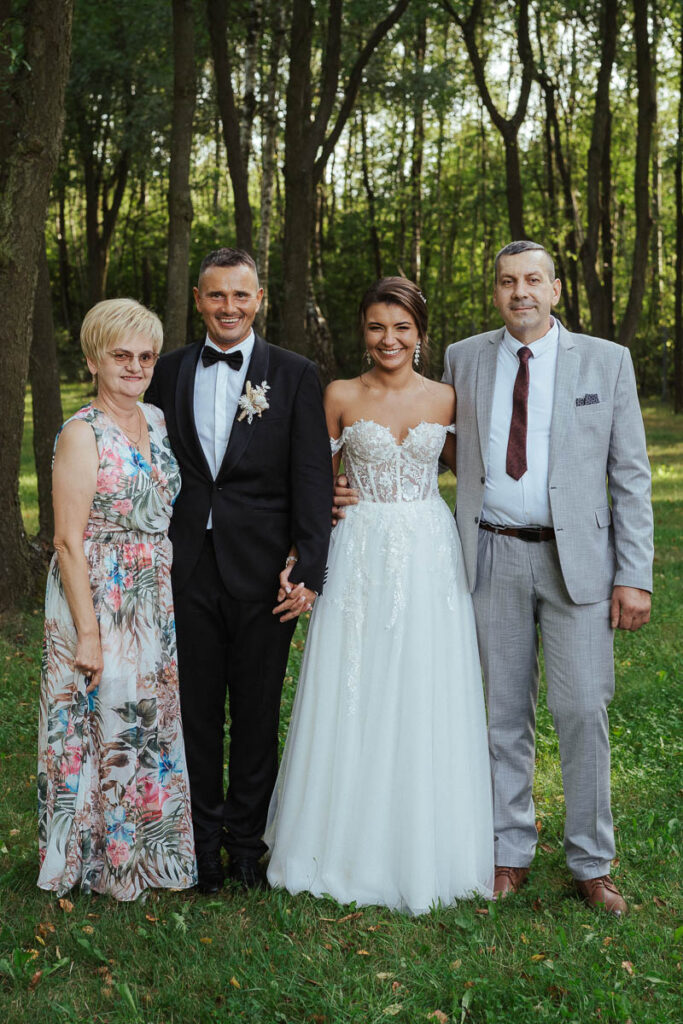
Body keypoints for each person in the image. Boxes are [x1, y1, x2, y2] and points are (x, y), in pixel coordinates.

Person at [265, 277, 494, 915]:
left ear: (420, 334)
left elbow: (472, 472)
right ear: (362, 331)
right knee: (353, 682)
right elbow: (312, 478)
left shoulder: (448, 398)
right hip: (358, 549)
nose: (387, 339)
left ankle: (425, 843)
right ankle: (337, 842)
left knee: (422, 682)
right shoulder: (338, 394)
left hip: (428, 550)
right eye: (375, 327)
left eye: (401, 327)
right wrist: (327, 502)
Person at [442, 241, 653, 915]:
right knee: (501, 713)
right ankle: (508, 851)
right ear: (495, 292)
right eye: (507, 281)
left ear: (555, 289)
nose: (520, 292)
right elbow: (436, 446)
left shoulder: (606, 361)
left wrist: (634, 574)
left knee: (582, 708)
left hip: (578, 563)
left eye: (533, 279)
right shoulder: (463, 359)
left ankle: (591, 861)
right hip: (492, 555)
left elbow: (629, 475)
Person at [145, 248, 332, 893]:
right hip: (184, 568)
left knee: (255, 714)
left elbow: (313, 476)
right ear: (198, 300)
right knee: (193, 713)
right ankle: (200, 847)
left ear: (260, 300)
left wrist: (309, 569)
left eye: (241, 295)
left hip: (265, 574)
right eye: (217, 295)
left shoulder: (295, 374)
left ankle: (247, 846)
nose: (229, 307)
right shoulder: (168, 372)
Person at [38, 298, 197, 900]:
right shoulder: (83, 433)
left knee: (142, 720)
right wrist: (88, 633)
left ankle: (148, 850)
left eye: (146, 356)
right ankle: (100, 860)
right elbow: (66, 540)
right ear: (93, 360)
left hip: (150, 596)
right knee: (99, 721)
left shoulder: (155, 419)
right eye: (121, 355)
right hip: (99, 595)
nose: (135, 367)